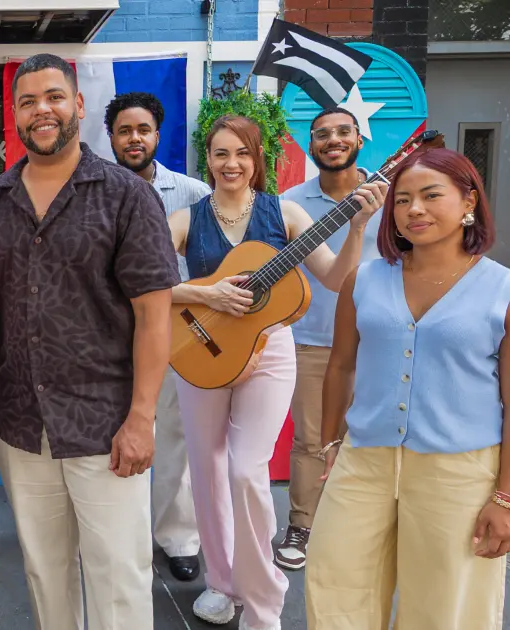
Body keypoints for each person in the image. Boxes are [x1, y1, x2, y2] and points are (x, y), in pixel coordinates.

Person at [0, 53, 177, 630]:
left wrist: (142, 419)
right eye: (27, 102)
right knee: (45, 571)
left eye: (53, 97)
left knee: (120, 577)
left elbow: (155, 314)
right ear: (15, 116)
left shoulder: (127, 196)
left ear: (77, 105)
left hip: (106, 422)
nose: (41, 110)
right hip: (21, 420)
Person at [165, 114, 386, 630]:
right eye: (220, 154)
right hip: (203, 349)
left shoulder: (283, 213)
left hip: (269, 354)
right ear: (208, 160)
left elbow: (333, 277)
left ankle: (264, 604)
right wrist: (205, 292)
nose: (231, 164)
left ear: (257, 158)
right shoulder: (185, 219)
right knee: (206, 473)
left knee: (245, 472)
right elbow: (139, 282)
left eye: (241, 153)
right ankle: (222, 584)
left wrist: (356, 228)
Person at [306, 148, 510, 629]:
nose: (414, 209)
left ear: (468, 203)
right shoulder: (365, 280)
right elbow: (340, 366)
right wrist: (332, 443)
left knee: (445, 605)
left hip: (458, 471)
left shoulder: (501, 290)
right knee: (335, 584)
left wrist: (505, 497)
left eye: (430, 196)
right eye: (402, 200)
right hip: (365, 461)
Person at [104, 90, 209, 582]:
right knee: (107, 436)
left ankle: (177, 537)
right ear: (111, 137)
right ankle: (116, 537)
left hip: (171, 333)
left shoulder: (192, 194)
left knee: (170, 437)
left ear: (157, 135)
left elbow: (211, 269)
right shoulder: (93, 192)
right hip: (105, 337)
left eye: (142, 129)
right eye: (124, 130)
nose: (134, 138)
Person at [275, 106, 381, 571]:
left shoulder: (390, 196)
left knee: (374, 436)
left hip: (381, 338)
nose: (332, 140)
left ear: (360, 138)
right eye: (321, 134)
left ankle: (366, 527)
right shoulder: (292, 202)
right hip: (312, 338)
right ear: (310, 145)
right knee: (312, 438)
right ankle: (302, 524)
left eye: (342, 132)